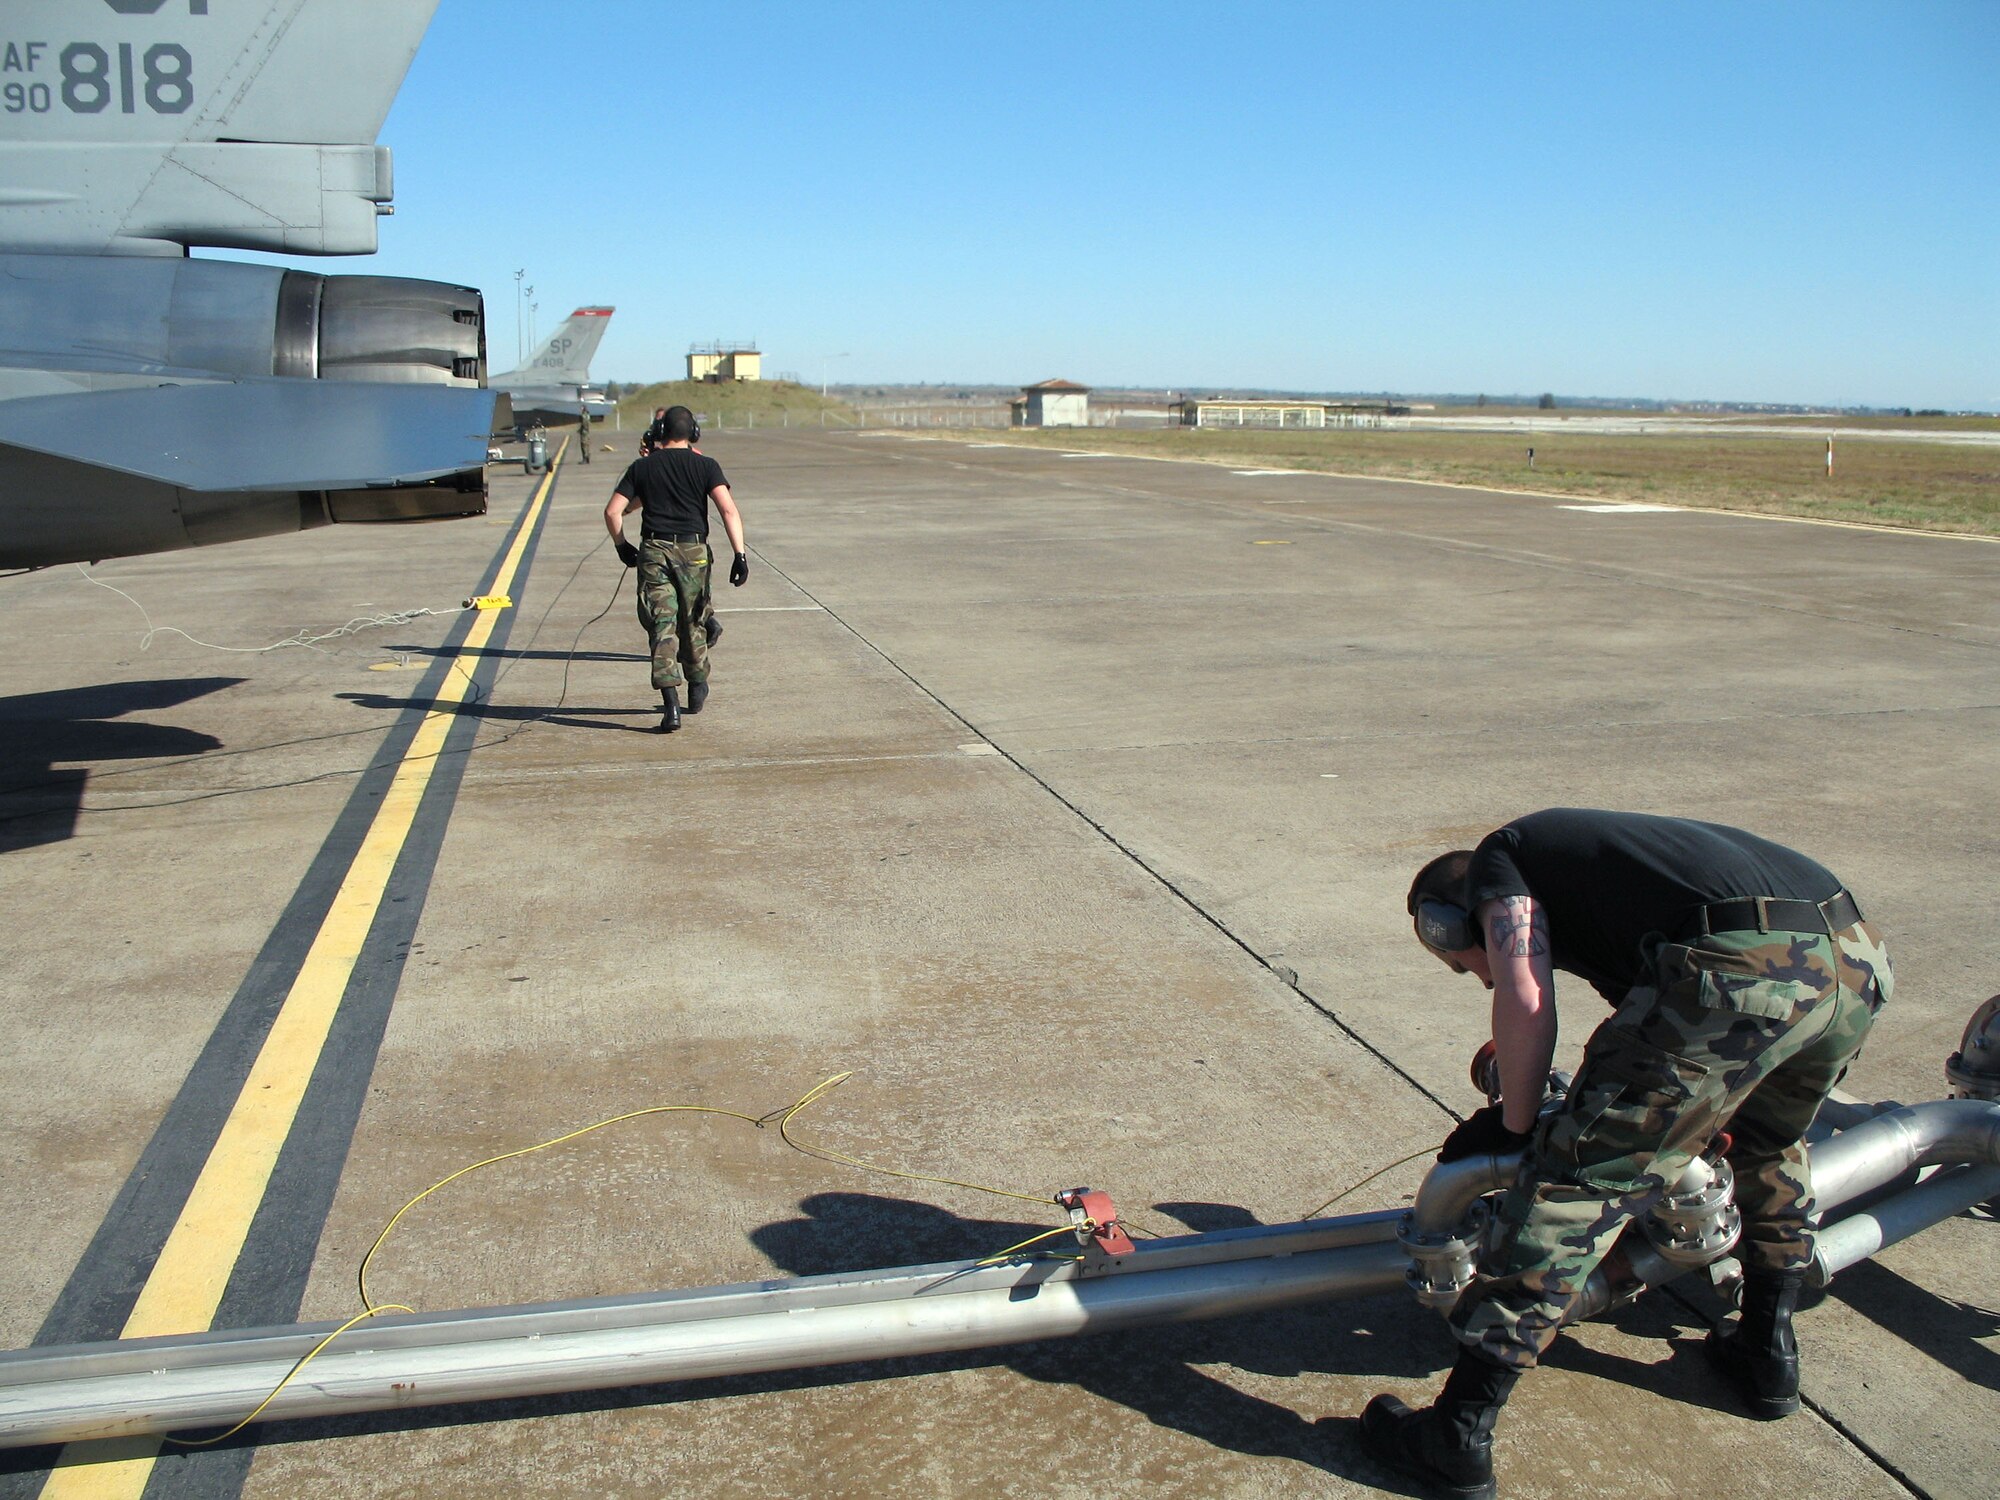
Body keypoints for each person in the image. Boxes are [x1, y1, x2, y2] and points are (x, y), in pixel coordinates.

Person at [1363, 808, 1892, 1499]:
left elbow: (1525, 996)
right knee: (1767, 1143)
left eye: (1462, 964)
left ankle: (1457, 1433)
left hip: (1740, 963)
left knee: (1575, 1179)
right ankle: (1767, 1351)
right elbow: (1657, 1048)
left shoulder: (1500, 861)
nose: (1477, 976)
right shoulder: (1608, 890)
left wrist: (1516, 1126)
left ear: (1450, 921)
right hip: (1851, 959)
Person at [603, 405, 749, 732]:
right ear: (693, 433)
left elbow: (614, 511)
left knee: (661, 624)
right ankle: (697, 686)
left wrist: (622, 545)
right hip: (693, 551)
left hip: (654, 551)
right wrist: (740, 554)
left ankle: (671, 706)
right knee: (694, 620)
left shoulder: (642, 467)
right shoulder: (706, 466)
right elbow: (727, 510)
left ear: (660, 433)